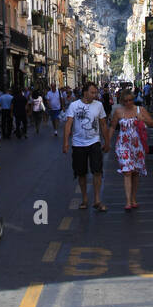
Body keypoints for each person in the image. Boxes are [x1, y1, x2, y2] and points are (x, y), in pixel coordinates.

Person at [63, 81, 109, 211]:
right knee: (81, 173)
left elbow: (103, 124)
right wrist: (66, 142)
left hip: (94, 142)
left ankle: (97, 200)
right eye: (92, 92)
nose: (95, 94)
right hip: (78, 144)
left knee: (97, 171)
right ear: (85, 93)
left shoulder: (99, 105)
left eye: (96, 92)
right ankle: (84, 199)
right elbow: (68, 124)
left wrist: (107, 142)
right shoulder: (74, 105)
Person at [108, 84, 153, 211]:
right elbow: (112, 127)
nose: (128, 103)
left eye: (130, 100)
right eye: (126, 101)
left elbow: (152, 123)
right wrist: (107, 142)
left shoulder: (140, 110)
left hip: (137, 145)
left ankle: (134, 198)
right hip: (123, 145)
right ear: (122, 101)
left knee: (135, 173)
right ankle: (128, 201)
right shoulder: (118, 112)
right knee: (127, 172)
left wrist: (142, 118)